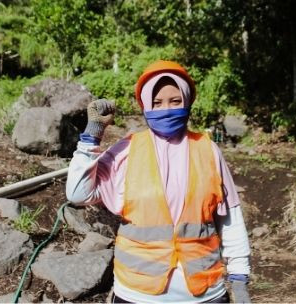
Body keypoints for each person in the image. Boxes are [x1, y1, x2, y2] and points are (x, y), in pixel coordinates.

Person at [66, 60, 251, 303]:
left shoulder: (208, 150)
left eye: (175, 101)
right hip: (137, 293)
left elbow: (230, 219)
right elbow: (78, 193)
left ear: (187, 101)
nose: (166, 109)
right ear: (145, 105)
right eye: (157, 102)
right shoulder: (128, 149)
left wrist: (239, 279)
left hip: (205, 293)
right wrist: (92, 135)